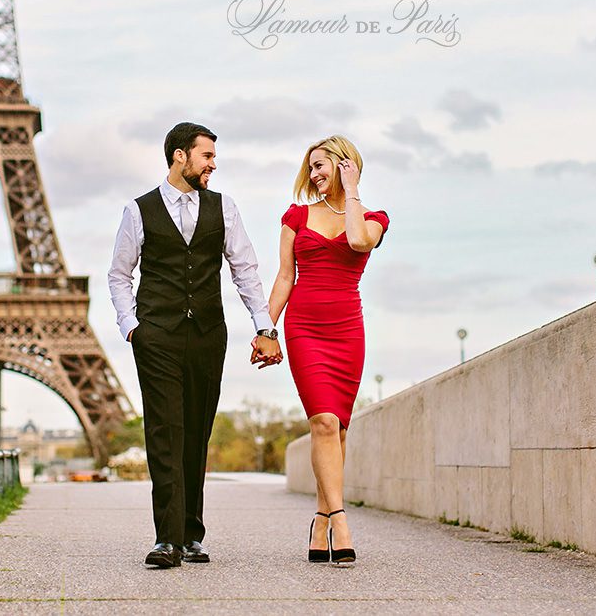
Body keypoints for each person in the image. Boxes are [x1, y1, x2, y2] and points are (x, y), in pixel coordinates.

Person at [108, 122, 283, 568]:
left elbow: (245, 269)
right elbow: (119, 274)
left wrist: (264, 327)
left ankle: (191, 535)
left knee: (196, 432)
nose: (213, 164)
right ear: (179, 156)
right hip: (158, 335)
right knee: (166, 431)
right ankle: (167, 539)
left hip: (207, 334)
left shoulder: (224, 209)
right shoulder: (138, 210)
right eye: (206, 156)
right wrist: (133, 327)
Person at [264, 135, 390, 565]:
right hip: (305, 327)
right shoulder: (296, 216)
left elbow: (357, 242)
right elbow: (284, 277)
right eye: (310, 167)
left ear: (345, 164)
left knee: (337, 430)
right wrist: (267, 328)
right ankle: (340, 519)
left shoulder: (374, 218)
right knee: (321, 420)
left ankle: (320, 521)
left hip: (347, 330)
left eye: (321, 166)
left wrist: (351, 192)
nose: (314, 175)